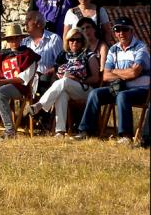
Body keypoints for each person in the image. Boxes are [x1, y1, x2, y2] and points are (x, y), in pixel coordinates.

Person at [73, 16, 150, 144]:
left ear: (132, 31)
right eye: (117, 30)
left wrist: (115, 71)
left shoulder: (141, 48)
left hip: (141, 90)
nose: (121, 33)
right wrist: (125, 73)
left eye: (125, 29)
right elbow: (106, 76)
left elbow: (134, 72)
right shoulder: (113, 49)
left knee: (122, 96)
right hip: (119, 87)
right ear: (114, 33)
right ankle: (86, 131)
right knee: (95, 93)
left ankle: (125, 136)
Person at [25, 26, 100, 136]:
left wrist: (78, 79)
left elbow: (96, 78)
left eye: (78, 40)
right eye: (72, 39)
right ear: (67, 41)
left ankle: (39, 106)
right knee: (62, 94)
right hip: (65, 87)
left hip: (85, 90)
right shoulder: (63, 55)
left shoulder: (89, 55)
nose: (75, 42)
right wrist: (57, 79)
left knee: (64, 81)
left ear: (83, 41)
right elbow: (55, 75)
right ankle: (60, 131)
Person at [20, 10, 63, 95]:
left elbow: (61, 62)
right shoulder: (24, 42)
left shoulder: (54, 39)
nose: (25, 23)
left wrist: (52, 70)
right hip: (27, 78)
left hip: (46, 78)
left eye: (29, 19)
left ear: (39, 24)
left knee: (44, 79)